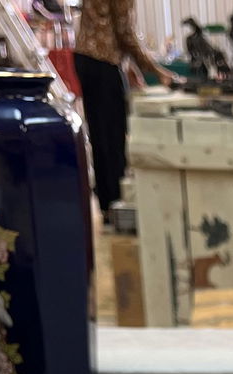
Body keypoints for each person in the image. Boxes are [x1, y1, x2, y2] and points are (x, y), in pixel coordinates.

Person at [73, 0, 178, 216]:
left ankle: (108, 205)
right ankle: (116, 205)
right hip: (103, 63)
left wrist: (129, 68)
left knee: (101, 136)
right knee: (112, 138)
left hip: (88, 58)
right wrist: (157, 71)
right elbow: (125, 32)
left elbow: (108, 26)